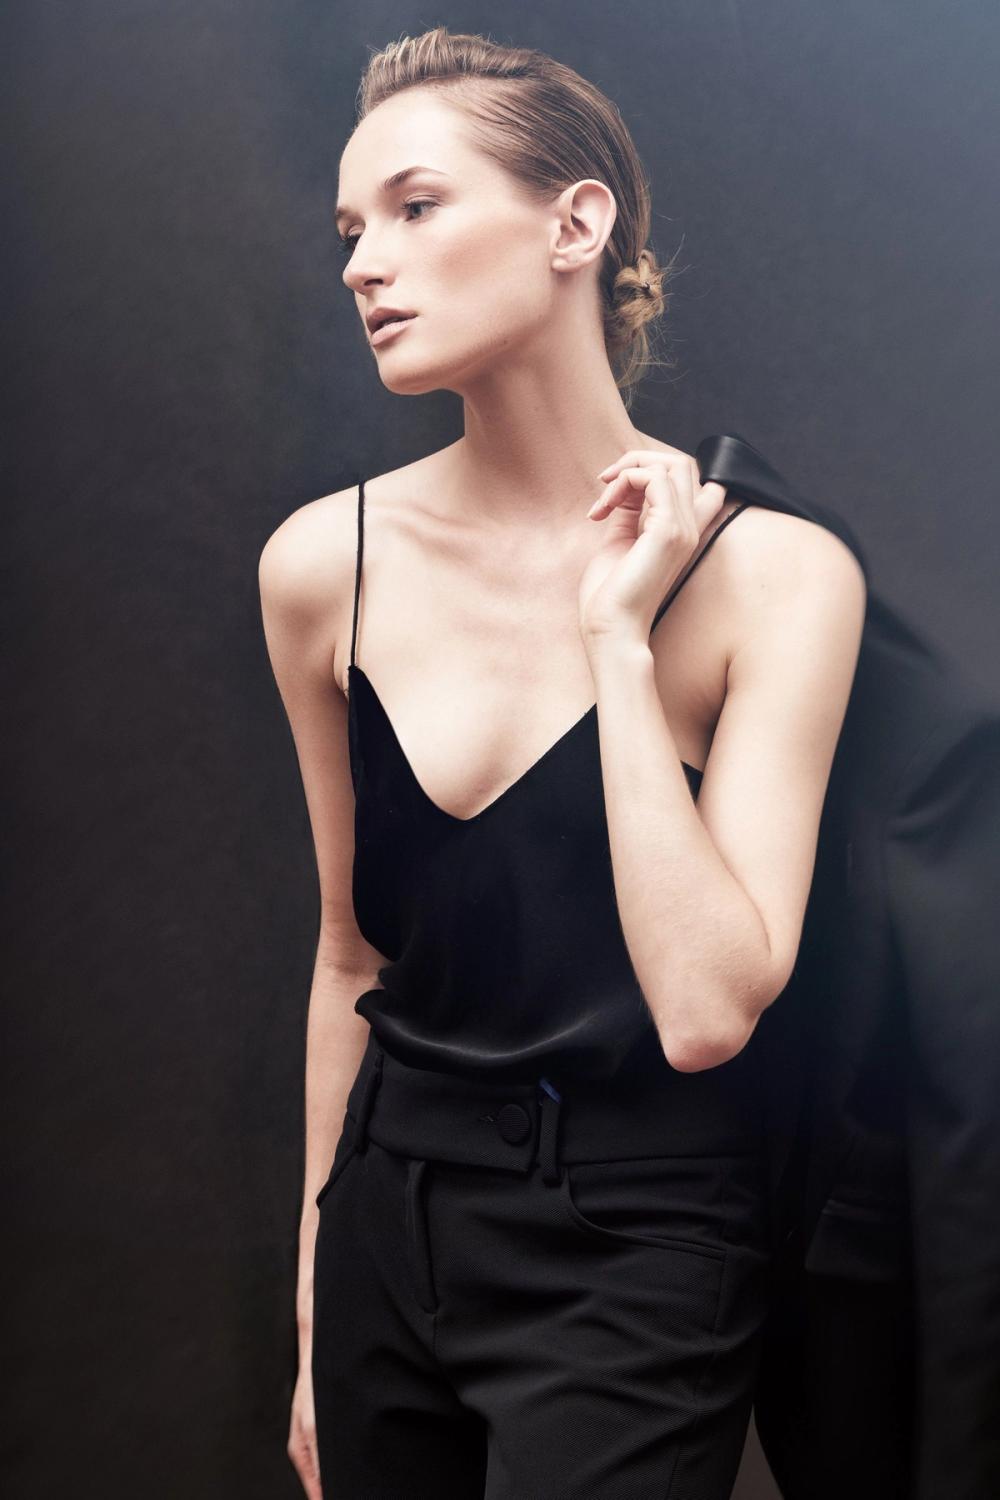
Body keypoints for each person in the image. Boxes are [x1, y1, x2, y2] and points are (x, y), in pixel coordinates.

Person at [258, 27, 866, 1500]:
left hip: (637, 1242)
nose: (364, 265)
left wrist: (617, 640)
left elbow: (709, 1009)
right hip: (387, 1223)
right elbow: (350, 954)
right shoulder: (323, 565)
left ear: (575, 224)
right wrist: (317, 1291)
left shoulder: (778, 579)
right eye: (350, 231)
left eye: (415, 207)